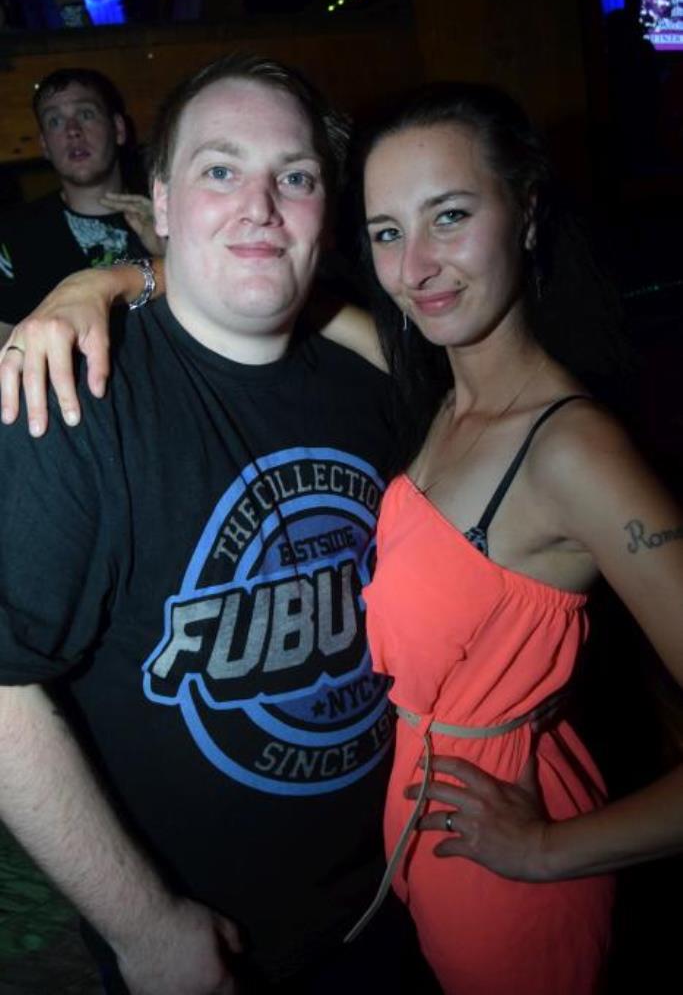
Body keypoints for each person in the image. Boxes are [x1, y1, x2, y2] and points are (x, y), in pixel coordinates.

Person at [3, 82, 683, 995]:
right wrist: (117, 280)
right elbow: (258, 277)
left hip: (480, 881)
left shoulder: (560, 443)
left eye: (451, 215)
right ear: (160, 200)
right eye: (390, 231)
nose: (420, 262)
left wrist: (551, 850)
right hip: (361, 897)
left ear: (525, 215)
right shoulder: (417, 388)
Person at [0, 54, 440, 995]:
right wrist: (144, 927)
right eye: (220, 169)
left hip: (407, 892)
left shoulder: (379, 373)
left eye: (295, 176)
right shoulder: (73, 402)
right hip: (207, 949)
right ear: (158, 202)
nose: (260, 207)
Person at [0, 66, 163, 325]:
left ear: (118, 129)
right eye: (55, 121)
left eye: (86, 114)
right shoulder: (13, 235)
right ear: (45, 145)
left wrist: (167, 249)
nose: (72, 130)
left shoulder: (168, 217)